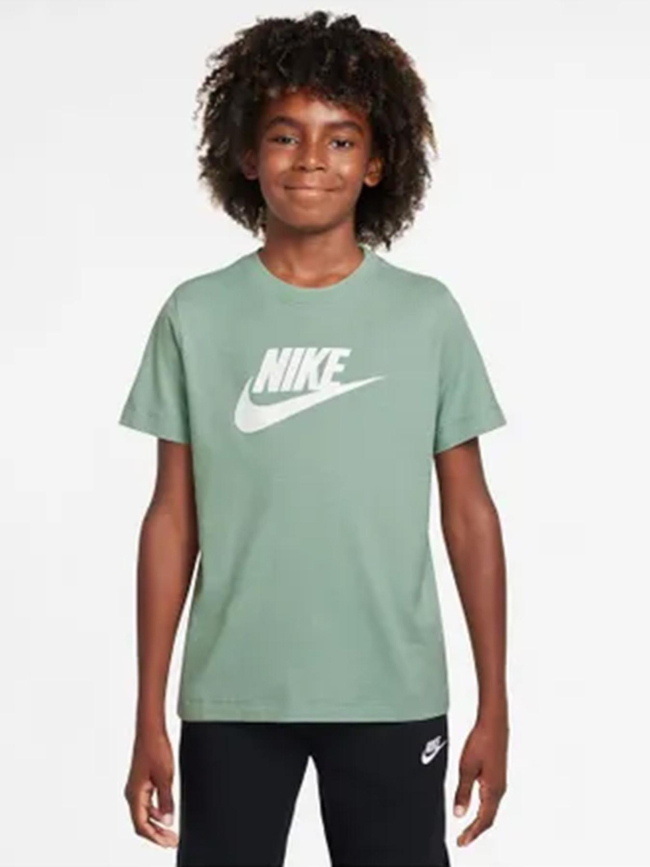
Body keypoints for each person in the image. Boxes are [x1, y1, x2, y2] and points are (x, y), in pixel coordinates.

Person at [119, 10, 509, 867]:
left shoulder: (426, 315)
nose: (310, 159)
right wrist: (148, 709)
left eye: (341, 139)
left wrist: (495, 702)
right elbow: (171, 518)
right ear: (246, 155)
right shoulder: (197, 314)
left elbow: (470, 515)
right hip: (233, 695)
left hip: (392, 692)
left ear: (377, 163)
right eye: (285, 135)